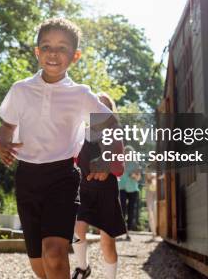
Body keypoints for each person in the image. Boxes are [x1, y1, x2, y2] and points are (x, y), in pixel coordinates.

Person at [0, 18, 123, 279]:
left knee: (54, 253)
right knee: (40, 265)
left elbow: (111, 123)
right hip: (27, 178)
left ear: (74, 56)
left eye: (62, 48)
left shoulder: (80, 94)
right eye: (46, 46)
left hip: (62, 177)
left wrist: (105, 159)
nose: (53, 53)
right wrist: (1, 142)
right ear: (37, 52)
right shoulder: (20, 90)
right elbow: (7, 126)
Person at [72, 92, 126, 279]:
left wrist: (106, 164)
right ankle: (82, 267)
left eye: (102, 107)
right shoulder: (81, 134)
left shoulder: (115, 135)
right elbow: (73, 161)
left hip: (106, 192)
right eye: (94, 106)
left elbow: (119, 169)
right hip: (84, 190)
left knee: (107, 242)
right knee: (77, 229)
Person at [118, 146, 142, 234]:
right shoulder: (120, 163)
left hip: (133, 189)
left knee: (131, 209)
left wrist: (134, 175)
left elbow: (138, 177)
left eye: (129, 153)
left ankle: (129, 228)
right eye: (125, 153)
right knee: (122, 208)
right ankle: (122, 228)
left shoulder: (135, 163)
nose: (127, 154)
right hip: (122, 187)